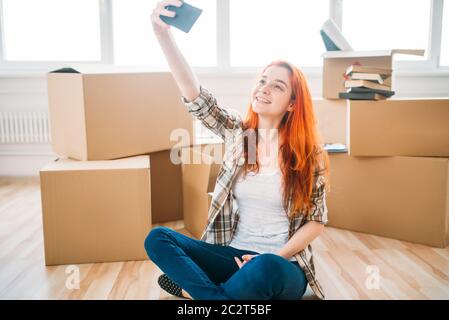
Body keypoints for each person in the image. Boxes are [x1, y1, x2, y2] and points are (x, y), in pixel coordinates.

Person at [145, 0, 330, 300]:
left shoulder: (310, 154)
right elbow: (196, 97)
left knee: (265, 269)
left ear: (293, 103)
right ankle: (219, 296)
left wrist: (275, 257)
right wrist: (163, 35)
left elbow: (316, 221)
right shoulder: (239, 133)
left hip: (281, 264)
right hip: (230, 257)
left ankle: (197, 291)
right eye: (262, 81)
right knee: (158, 238)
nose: (264, 89)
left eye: (278, 86)